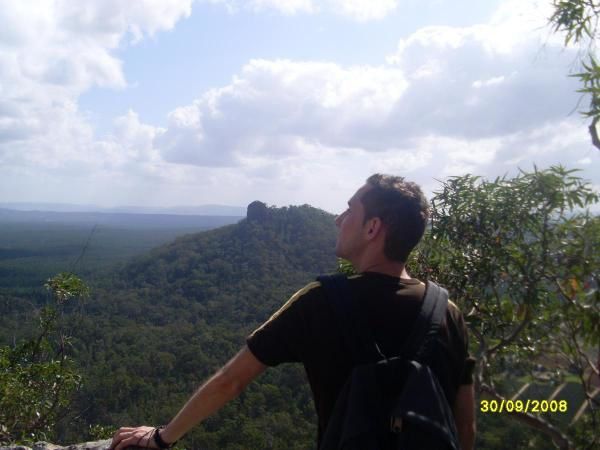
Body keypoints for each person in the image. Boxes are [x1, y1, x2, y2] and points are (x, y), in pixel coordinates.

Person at [110, 174, 476, 450]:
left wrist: (161, 438)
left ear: (372, 228)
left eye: (350, 209)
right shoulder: (447, 312)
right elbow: (463, 419)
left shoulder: (321, 301)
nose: (338, 218)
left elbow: (230, 381)